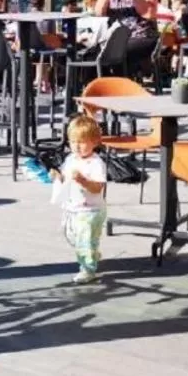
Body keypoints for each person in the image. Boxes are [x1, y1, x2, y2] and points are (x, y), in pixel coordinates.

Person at [50, 115, 108, 284]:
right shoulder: (70, 159)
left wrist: (83, 180)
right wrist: (57, 177)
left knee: (84, 239)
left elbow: (98, 187)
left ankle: (88, 269)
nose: (77, 146)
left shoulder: (95, 163)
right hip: (72, 207)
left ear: (94, 142)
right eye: (73, 141)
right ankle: (92, 252)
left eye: (82, 142)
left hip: (91, 209)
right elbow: (65, 179)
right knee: (71, 235)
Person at [93, 0, 158, 74]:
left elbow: (150, 13)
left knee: (118, 51)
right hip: (115, 37)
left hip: (142, 36)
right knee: (91, 52)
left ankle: (122, 86)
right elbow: (98, 13)